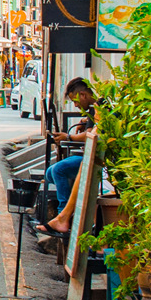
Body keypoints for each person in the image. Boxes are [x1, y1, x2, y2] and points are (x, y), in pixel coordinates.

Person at [41, 79, 98, 233]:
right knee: (50, 173)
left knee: (59, 169)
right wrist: (84, 121)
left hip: (96, 160)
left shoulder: (100, 107)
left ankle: (63, 214)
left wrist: (69, 137)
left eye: (75, 101)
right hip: (87, 156)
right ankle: (67, 209)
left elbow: (92, 135)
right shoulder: (92, 110)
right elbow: (90, 128)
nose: (76, 106)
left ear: (83, 95)